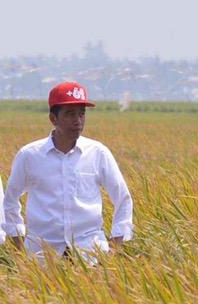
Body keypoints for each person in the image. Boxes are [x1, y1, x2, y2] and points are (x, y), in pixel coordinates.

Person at [3, 81, 133, 259]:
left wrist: (115, 247)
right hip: (42, 256)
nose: (78, 121)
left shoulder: (97, 153)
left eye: (81, 114)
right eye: (70, 114)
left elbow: (123, 199)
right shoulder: (30, 155)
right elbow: (10, 201)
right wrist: (19, 245)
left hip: (91, 255)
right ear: (53, 118)